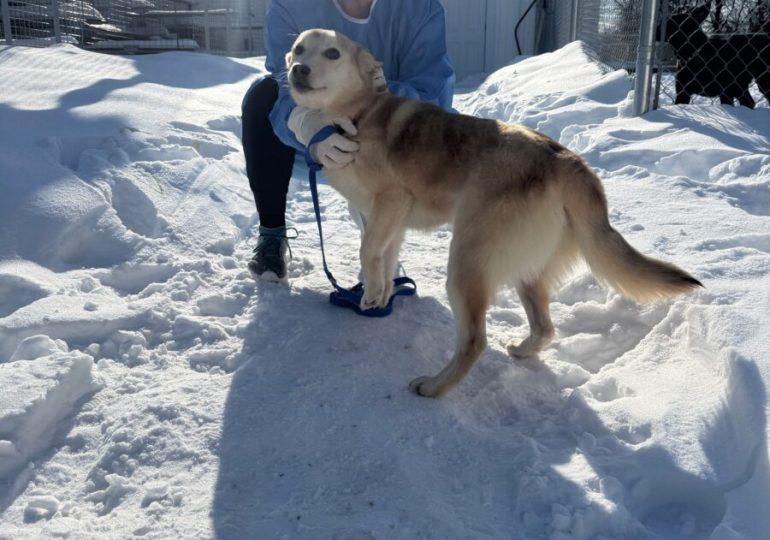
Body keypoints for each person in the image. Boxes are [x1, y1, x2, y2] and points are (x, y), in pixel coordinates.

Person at [242, 0, 455, 281]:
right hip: (311, 137)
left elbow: (432, 92)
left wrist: (369, 100)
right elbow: (282, 87)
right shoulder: (289, 6)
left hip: (390, 129)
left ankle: (379, 236)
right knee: (261, 98)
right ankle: (271, 234)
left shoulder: (419, 9)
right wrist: (307, 125)